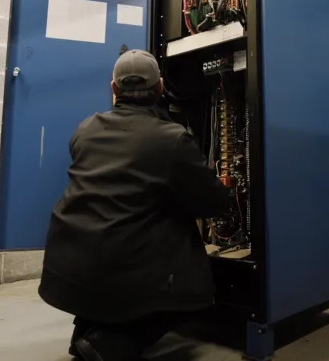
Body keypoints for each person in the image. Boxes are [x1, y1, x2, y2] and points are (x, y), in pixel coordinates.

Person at [38, 49, 229, 361]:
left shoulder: (85, 129)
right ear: (160, 88)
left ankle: (91, 327)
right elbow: (213, 203)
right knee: (195, 282)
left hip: (64, 269)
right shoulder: (171, 139)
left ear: (114, 89)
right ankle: (110, 342)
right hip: (118, 270)